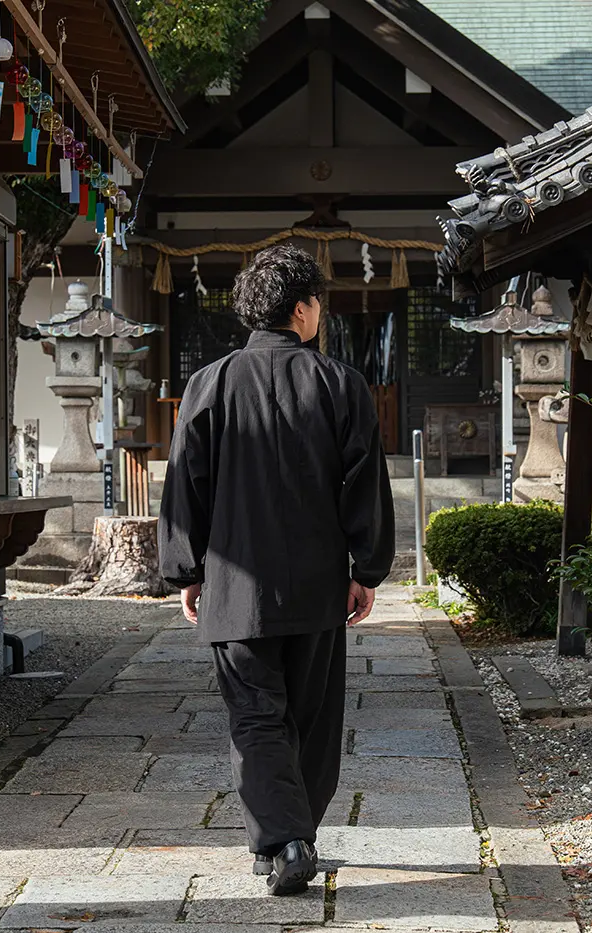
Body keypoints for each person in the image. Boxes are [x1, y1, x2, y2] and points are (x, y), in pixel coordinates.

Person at [158, 243, 395, 896]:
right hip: (319, 585)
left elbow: (188, 484)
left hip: (236, 587)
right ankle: (294, 837)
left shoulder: (211, 384)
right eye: (318, 301)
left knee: (256, 719)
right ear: (301, 309)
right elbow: (364, 485)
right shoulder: (339, 384)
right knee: (312, 720)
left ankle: (282, 840)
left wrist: (187, 569)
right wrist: (366, 567)